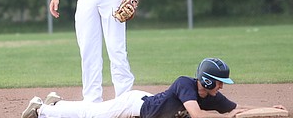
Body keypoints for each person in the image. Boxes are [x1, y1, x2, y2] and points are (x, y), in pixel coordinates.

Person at [21, 58, 287, 118]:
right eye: (219, 81)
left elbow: (238, 108)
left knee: (94, 109)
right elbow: (196, 115)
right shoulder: (186, 84)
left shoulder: (212, 97)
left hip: (147, 103)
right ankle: (42, 111)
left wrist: (267, 109)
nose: (221, 86)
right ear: (206, 80)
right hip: (134, 105)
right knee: (94, 115)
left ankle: (57, 104)